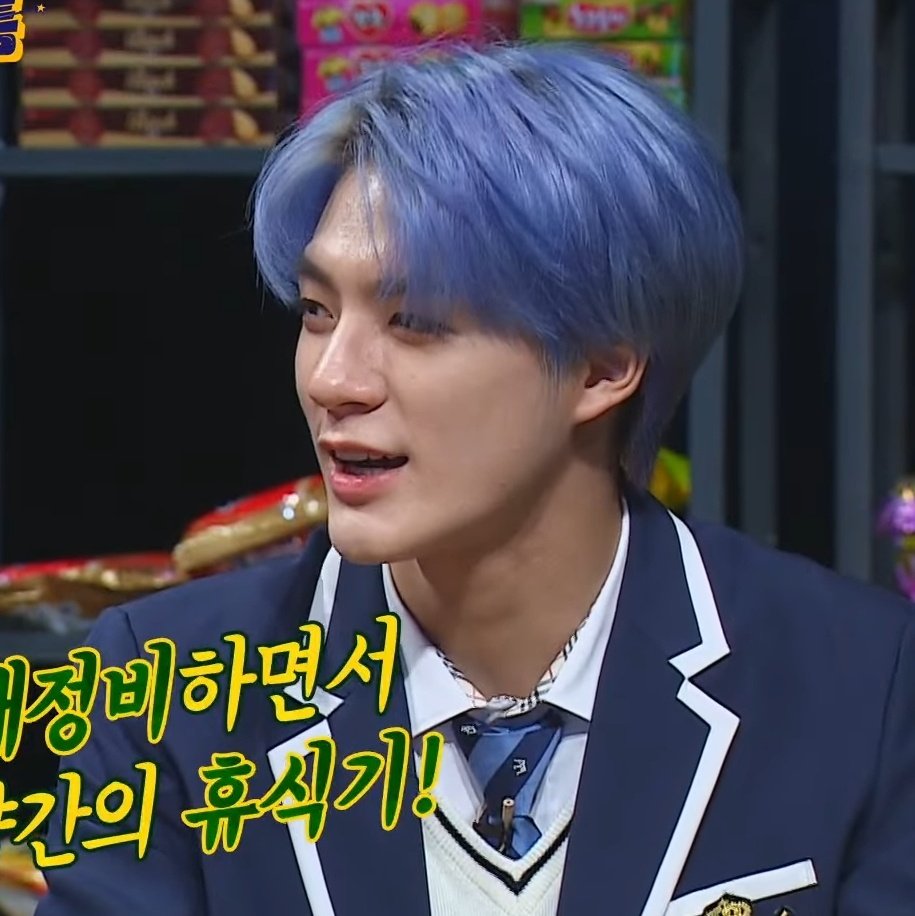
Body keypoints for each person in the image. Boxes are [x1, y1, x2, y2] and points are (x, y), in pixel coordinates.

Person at [36, 42, 915, 916]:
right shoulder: (164, 687)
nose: (332, 380)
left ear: (603, 367)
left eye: (413, 321)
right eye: (317, 311)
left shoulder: (864, 684)